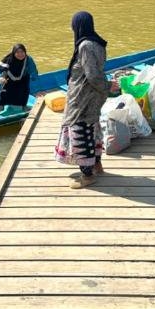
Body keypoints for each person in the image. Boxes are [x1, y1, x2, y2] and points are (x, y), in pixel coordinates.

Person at [54, 11, 111, 189]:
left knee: (80, 131)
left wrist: (107, 86)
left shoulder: (85, 45)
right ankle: (96, 165)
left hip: (83, 98)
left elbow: (92, 75)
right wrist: (106, 88)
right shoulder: (98, 43)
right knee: (92, 129)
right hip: (94, 95)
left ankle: (87, 175)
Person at [0, 43, 38, 115]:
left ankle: (24, 106)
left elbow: (33, 69)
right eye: (17, 52)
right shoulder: (8, 59)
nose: (20, 54)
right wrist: (0, 77)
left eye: (22, 52)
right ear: (14, 53)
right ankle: (1, 107)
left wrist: (34, 77)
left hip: (23, 77)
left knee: (24, 90)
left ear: (25, 52)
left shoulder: (28, 59)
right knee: (3, 91)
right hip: (9, 78)